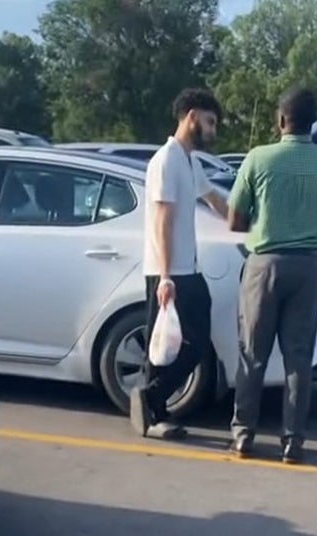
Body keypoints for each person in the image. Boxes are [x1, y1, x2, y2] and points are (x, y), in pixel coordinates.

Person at [227, 86, 317, 464]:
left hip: (264, 265)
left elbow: (235, 220)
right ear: (312, 122)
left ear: (281, 120)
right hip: (308, 268)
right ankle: (292, 441)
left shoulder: (258, 158)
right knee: (298, 358)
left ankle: (243, 434)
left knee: (252, 354)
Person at [130, 87, 231, 441]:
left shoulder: (189, 161)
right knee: (168, 344)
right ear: (191, 117)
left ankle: (152, 404)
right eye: (209, 122)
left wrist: (246, 222)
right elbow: (162, 220)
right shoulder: (166, 161)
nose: (212, 130)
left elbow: (214, 198)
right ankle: (152, 407)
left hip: (188, 269)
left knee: (185, 342)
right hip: (169, 272)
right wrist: (165, 277)